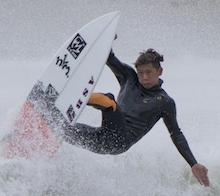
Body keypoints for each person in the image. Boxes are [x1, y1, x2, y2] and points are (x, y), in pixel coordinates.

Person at [62, 47, 210, 187]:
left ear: (160, 71)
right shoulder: (129, 77)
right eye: (140, 73)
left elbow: (176, 134)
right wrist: (108, 35)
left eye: (149, 72)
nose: (144, 77)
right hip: (102, 138)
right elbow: (109, 57)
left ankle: (65, 97)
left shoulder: (164, 101)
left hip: (120, 141)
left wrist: (193, 163)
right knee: (63, 128)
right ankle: (45, 128)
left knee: (108, 102)